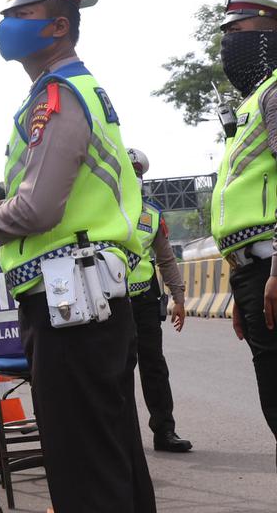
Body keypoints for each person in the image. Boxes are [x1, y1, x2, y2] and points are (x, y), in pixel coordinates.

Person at [0, 0, 154, 513]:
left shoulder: (57, 95)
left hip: (69, 305)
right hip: (84, 299)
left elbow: (36, 211)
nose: (11, 21)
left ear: (59, 26)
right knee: (111, 455)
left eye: (26, 10)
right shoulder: (77, 92)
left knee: (83, 467)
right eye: (9, 11)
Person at [209, 0, 277, 464]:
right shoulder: (255, 102)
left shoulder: (274, 94)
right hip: (253, 271)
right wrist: (239, 282)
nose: (229, 40)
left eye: (239, 28)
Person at [125, 148, 192, 453]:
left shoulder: (151, 213)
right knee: (117, 370)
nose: (135, 179)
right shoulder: (103, 209)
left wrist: (178, 298)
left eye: (138, 174)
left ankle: (164, 431)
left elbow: (166, 259)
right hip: (111, 303)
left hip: (145, 300)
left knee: (154, 366)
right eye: (130, 173)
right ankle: (121, 440)